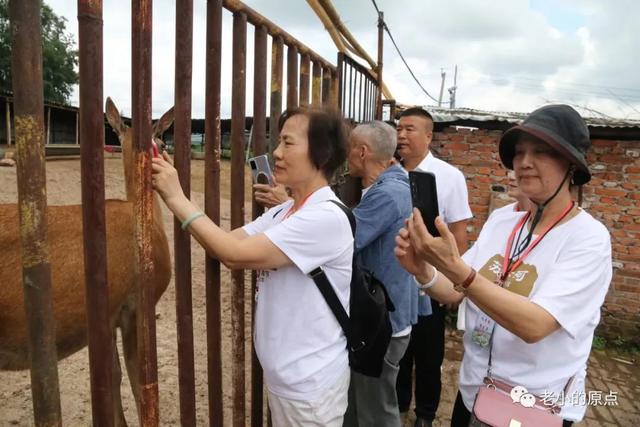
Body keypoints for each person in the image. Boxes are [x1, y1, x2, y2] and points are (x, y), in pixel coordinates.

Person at [395, 104, 612, 426]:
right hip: (473, 393)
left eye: (540, 151)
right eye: (519, 152)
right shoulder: (502, 221)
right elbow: (455, 293)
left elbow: (535, 325)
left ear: (571, 164)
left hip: (534, 406)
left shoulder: (588, 238)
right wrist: (422, 270)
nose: (523, 162)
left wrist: (458, 272)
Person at [152, 107, 353, 426]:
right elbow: (224, 241)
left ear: (322, 153)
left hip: (309, 386)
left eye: (288, 143)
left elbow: (233, 253)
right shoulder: (285, 211)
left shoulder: (325, 218)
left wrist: (177, 198)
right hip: (289, 379)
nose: (276, 152)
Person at [394, 107, 472, 427]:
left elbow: (459, 233)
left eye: (410, 129)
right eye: (399, 129)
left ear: (429, 136)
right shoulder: (389, 171)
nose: (401, 135)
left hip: (430, 281)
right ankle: (397, 404)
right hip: (395, 277)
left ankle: (425, 413)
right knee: (398, 346)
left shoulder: (448, 176)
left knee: (428, 353)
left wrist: (451, 281)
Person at [341, 121, 418, 427]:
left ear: (362, 152)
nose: (345, 155)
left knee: (377, 412)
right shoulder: (394, 184)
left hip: (382, 324)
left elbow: (343, 238)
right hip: (383, 317)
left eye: (349, 148)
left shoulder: (387, 194)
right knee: (362, 404)